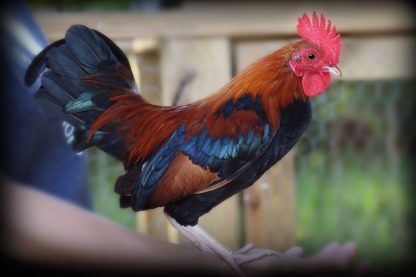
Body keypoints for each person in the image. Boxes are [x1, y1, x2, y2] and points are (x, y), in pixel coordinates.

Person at [0, 1, 365, 275]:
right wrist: (226, 261)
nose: (326, 65)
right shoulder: (251, 120)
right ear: (292, 63)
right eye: (313, 57)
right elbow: (180, 209)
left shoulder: (280, 113)